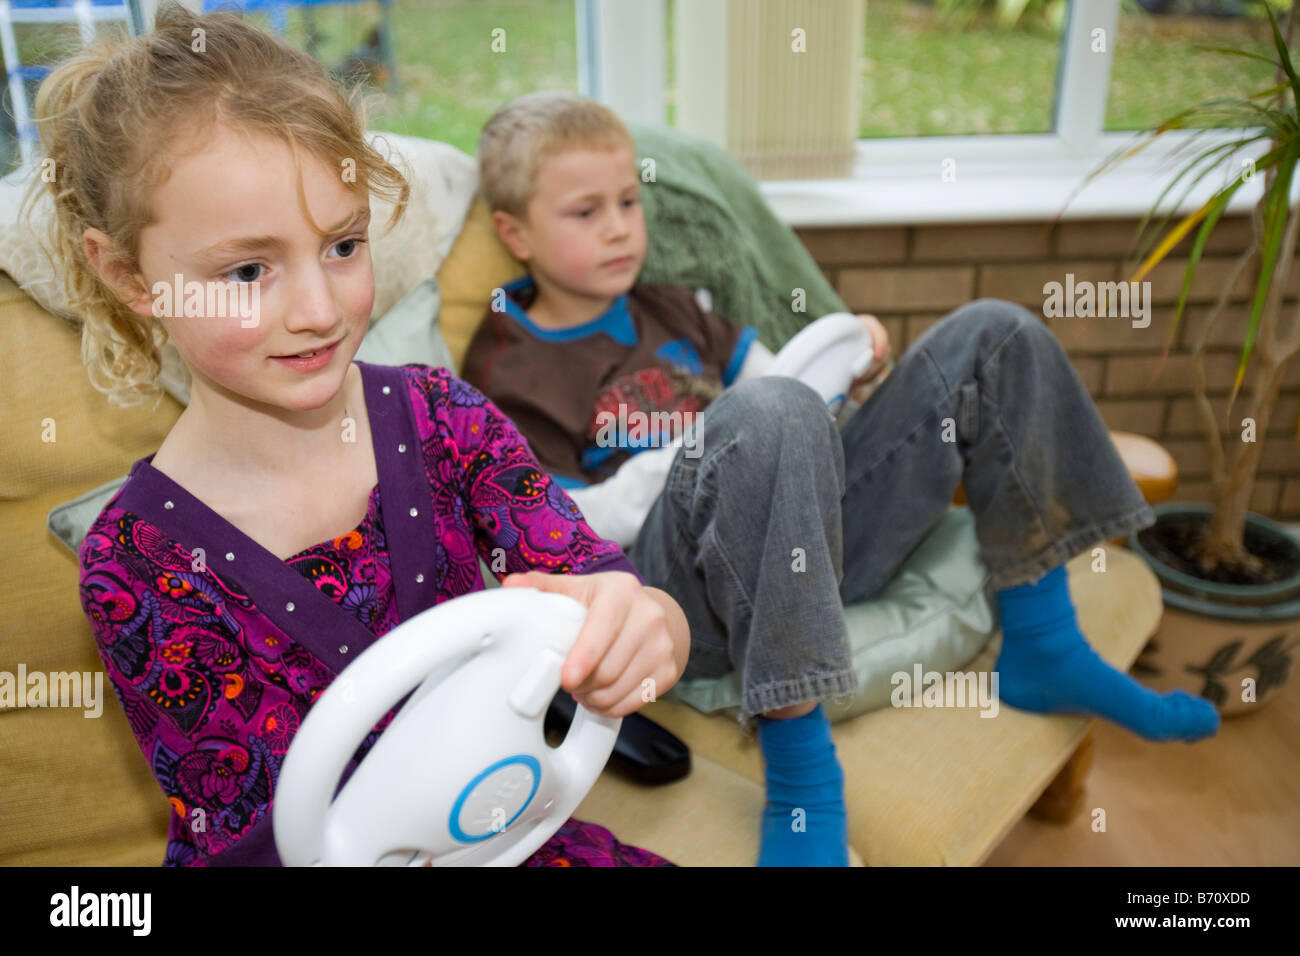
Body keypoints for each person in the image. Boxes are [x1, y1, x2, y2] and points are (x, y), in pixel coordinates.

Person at [463, 90, 1224, 868]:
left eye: (628, 200)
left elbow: (783, 390)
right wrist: (714, 438)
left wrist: (850, 376)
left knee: (995, 334)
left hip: (804, 542)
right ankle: (802, 778)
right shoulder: (507, 370)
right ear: (514, 233)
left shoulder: (675, 310)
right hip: (676, 605)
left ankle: (1045, 644)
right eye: (585, 213)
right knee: (762, 414)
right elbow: (559, 533)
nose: (622, 225)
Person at [41, 4, 687, 867]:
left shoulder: (444, 419)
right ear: (128, 275)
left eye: (342, 245)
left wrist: (648, 629)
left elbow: (614, 595)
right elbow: (255, 843)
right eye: (247, 270)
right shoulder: (138, 563)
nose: (319, 310)